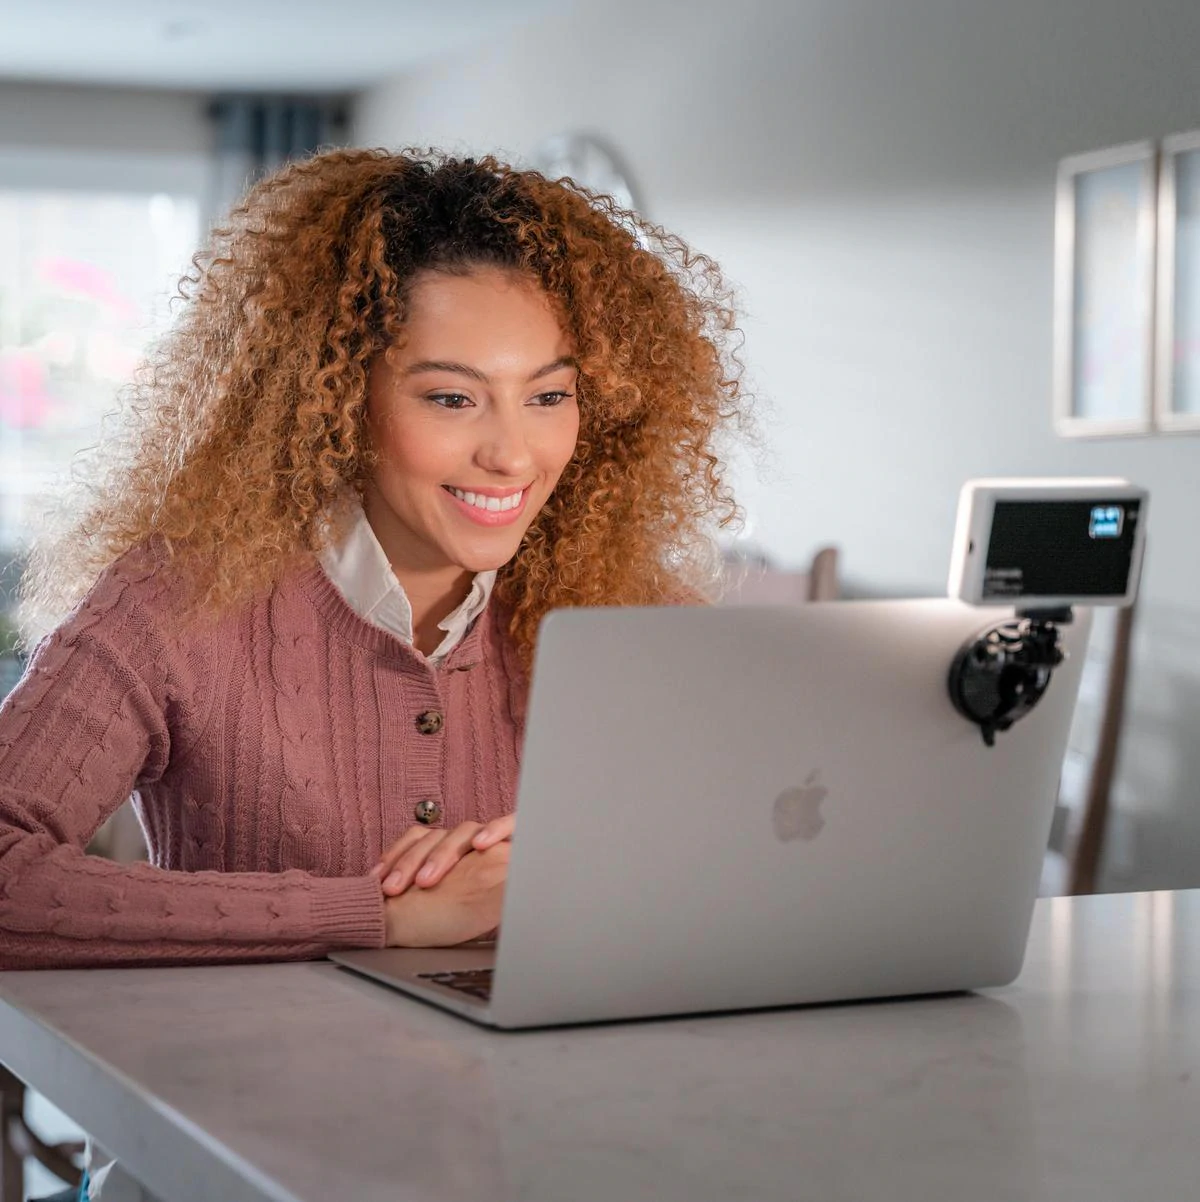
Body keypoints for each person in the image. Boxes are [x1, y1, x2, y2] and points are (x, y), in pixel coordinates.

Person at [0, 147, 751, 981]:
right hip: (252, 1096)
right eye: (451, 398)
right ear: (333, 398)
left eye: (548, 396)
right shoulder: (172, 599)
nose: (513, 455)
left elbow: (757, 856)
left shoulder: (633, 612)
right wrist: (380, 916)